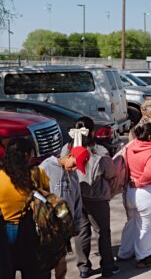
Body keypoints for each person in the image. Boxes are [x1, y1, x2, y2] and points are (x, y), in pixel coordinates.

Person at [68, 120, 120, 278]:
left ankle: (84, 267)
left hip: (76, 195)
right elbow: (111, 173)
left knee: (81, 231)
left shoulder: (67, 149)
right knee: (102, 231)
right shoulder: (100, 152)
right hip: (97, 197)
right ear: (91, 132)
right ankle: (108, 266)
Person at [0, 138, 51, 279]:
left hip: (5, 232)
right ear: (26, 155)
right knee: (35, 272)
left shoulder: (0, 176)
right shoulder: (37, 174)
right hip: (32, 230)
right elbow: (47, 200)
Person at [117, 123, 151, 268]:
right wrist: (139, 182)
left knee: (131, 224)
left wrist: (134, 183)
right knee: (147, 227)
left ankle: (124, 252)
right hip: (148, 194)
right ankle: (144, 258)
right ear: (150, 137)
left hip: (130, 193)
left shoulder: (131, 146)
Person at [40, 148, 86, 279]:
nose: (74, 169)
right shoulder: (46, 167)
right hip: (49, 224)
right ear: (69, 155)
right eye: (74, 164)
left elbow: (77, 199)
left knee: (61, 261)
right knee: (47, 261)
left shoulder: (73, 174)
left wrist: (76, 223)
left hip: (64, 225)